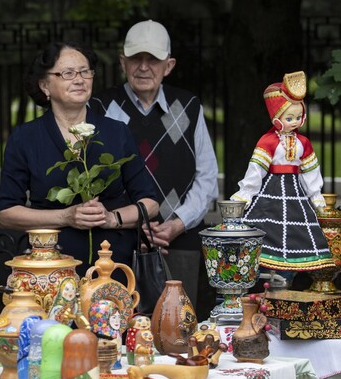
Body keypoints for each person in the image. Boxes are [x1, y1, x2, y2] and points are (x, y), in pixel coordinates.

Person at [90, 19, 219, 315]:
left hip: (178, 240)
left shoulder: (188, 106)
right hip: (116, 242)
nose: (144, 67)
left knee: (178, 328)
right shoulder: (101, 106)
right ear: (123, 62)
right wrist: (131, 223)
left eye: (153, 59)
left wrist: (177, 224)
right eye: (136, 58)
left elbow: (207, 177)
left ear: (169, 65)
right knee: (115, 326)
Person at [0, 41, 159, 278]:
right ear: (45, 85)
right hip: (50, 266)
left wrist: (113, 219)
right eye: (68, 73)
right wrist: (66, 216)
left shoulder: (117, 132)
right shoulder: (25, 137)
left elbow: (150, 203)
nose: (80, 79)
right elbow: (6, 214)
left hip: (111, 264)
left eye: (85, 72)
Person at [231, 71, 334, 279]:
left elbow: (310, 171)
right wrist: (245, 194)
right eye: (289, 117)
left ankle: (287, 279)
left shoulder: (303, 143)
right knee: (266, 228)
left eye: (298, 116)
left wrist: (315, 196)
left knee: (299, 230)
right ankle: (266, 275)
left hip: (295, 192)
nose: (295, 121)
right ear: (276, 118)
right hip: (272, 191)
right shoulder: (267, 141)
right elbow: (256, 170)